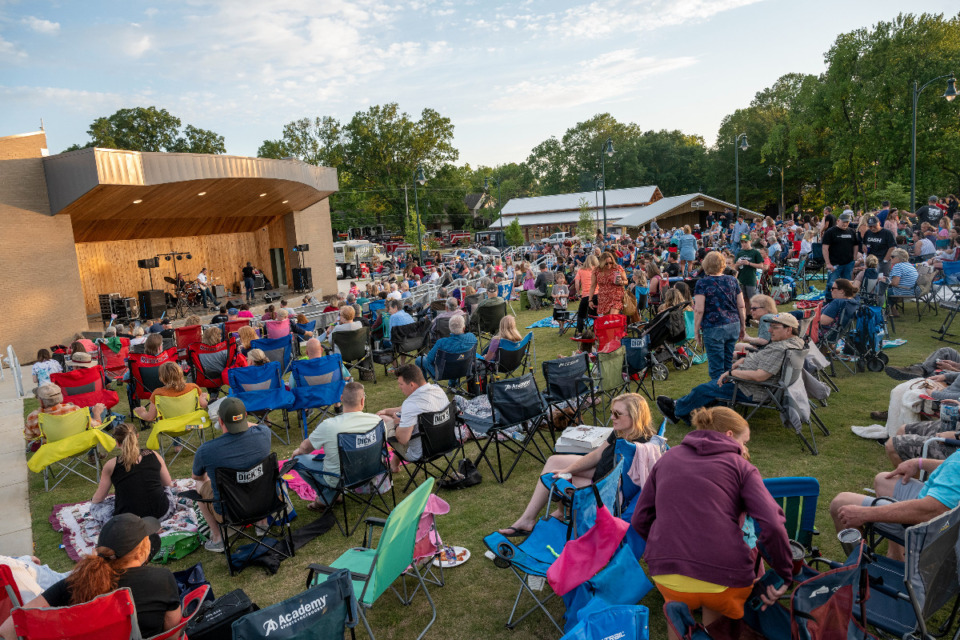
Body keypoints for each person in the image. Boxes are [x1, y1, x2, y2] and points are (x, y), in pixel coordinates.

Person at [632, 407, 792, 637]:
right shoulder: (741, 467)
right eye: (744, 441)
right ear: (728, 435)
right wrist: (785, 573)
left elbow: (640, 519)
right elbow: (773, 524)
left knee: (677, 619)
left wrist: (666, 546)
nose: (745, 448)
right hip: (724, 578)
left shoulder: (668, 457)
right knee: (715, 620)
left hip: (667, 573)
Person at [498, 394, 661, 536]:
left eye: (617, 414)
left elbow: (623, 487)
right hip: (602, 470)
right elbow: (598, 454)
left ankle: (540, 518)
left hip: (606, 488)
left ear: (635, 416)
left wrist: (567, 475)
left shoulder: (639, 448)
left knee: (558, 479)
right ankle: (544, 516)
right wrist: (567, 469)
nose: (612, 418)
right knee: (554, 462)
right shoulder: (622, 430)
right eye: (612, 412)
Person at [0, 514, 182, 639]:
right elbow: (173, 634)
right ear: (141, 551)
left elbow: (8, 630)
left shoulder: (73, 583)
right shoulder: (162, 580)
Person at [658, 313, 804, 424]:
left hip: (753, 389)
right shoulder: (795, 343)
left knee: (705, 389)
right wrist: (743, 360)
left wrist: (731, 373)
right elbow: (764, 362)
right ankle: (686, 411)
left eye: (775, 327)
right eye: (770, 326)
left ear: (789, 330)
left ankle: (676, 411)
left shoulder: (781, 349)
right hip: (754, 384)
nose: (770, 330)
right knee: (711, 388)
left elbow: (760, 376)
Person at [830, 452, 960, 561]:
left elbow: (933, 511)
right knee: (882, 480)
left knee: (841, 503)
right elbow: (953, 464)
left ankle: (861, 570)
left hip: (935, 529)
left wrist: (864, 514)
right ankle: (896, 556)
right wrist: (918, 463)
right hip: (937, 502)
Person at [191, 398, 271, 552]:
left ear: (220, 421)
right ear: (246, 416)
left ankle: (218, 538)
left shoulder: (206, 450)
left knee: (198, 486)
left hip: (230, 512)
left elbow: (197, 477)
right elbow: (255, 426)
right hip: (265, 502)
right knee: (259, 477)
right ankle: (262, 524)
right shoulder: (264, 433)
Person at [289, 382, 382, 511]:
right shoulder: (377, 421)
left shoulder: (330, 425)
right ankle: (330, 496)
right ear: (362, 400)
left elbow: (305, 448)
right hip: (370, 472)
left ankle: (325, 498)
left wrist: (298, 451)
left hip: (342, 479)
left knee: (296, 460)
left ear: (342, 399)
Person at [92, 422, 174, 521]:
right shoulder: (154, 455)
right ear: (137, 436)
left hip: (129, 522)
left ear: (117, 443)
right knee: (167, 490)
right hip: (161, 513)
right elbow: (167, 483)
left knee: (95, 507)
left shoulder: (111, 465)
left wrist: (93, 501)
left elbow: (99, 497)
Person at [376, 364, 448, 471]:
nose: (399, 387)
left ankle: (375, 468)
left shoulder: (410, 404)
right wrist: (387, 411)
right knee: (393, 419)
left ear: (412, 385)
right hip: (445, 443)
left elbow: (403, 439)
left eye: (401, 384)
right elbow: (406, 408)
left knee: (381, 422)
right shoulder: (438, 390)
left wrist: (397, 423)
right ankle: (394, 465)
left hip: (421, 452)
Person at [694, 251, 747, 382]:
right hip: (732, 323)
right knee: (727, 363)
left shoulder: (702, 283)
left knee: (716, 368)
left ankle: (720, 395)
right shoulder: (732, 280)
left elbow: (699, 310)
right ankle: (727, 392)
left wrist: (696, 330)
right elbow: (741, 306)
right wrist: (743, 325)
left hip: (714, 327)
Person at [24, 383, 106, 445]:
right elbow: (96, 426)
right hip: (78, 446)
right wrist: (97, 413)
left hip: (54, 451)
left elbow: (30, 437)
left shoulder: (33, 417)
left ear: (41, 401)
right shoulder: (74, 410)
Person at [133, 362, 208, 423]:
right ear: (181, 374)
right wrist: (204, 397)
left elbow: (150, 417)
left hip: (169, 427)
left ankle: (176, 441)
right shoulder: (193, 388)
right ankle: (176, 441)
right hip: (191, 423)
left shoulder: (158, 393)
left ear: (161, 378)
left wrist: (141, 412)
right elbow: (204, 405)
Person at [416, 314, 477, 379]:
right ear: (464, 328)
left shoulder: (441, 343)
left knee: (419, 359)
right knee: (457, 361)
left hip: (443, 373)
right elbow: (473, 357)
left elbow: (429, 360)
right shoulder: (472, 337)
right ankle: (452, 385)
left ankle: (424, 386)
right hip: (465, 369)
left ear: (449, 329)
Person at [822, 211, 860, 302]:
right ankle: (828, 302)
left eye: (847, 222)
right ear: (838, 221)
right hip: (835, 263)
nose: (845, 224)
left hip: (848, 263)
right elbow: (824, 248)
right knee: (832, 284)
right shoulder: (830, 232)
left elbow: (855, 245)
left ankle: (845, 302)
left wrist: (854, 257)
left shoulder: (851, 231)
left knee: (846, 284)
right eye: (843, 222)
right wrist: (828, 263)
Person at [589, 251, 627, 315]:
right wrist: (590, 300)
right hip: (603, 298)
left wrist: (621, 282)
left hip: (616, 297)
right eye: (606, 264)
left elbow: (626, 281)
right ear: (602, 263)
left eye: (611, 263)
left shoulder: (617, 268)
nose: (609, 265)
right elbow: (593, 286)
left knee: (612, 318)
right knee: (607, 321)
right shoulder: (597, 270)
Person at [574, 255, 599, 335]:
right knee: (596, 314)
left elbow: (577, 283)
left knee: (581, 314)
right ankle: (597, 330)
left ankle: (580, 332)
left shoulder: (581, 270)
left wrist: (578, 293)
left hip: (585, 295)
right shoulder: (597, 270)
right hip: (596, 294)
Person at [734, 235, 764, 302]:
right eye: (742, 242)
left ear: (750, 241)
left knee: (752, 299)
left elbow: (761, 266)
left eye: (745, 242)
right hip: (741, 279)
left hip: (750, 279)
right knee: (743, 299)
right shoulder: (740, 253)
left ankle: (753, 311)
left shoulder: (755, 252)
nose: (744, 244)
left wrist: (749, 263)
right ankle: (747, 312)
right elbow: (735, 268)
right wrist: (737, 265)